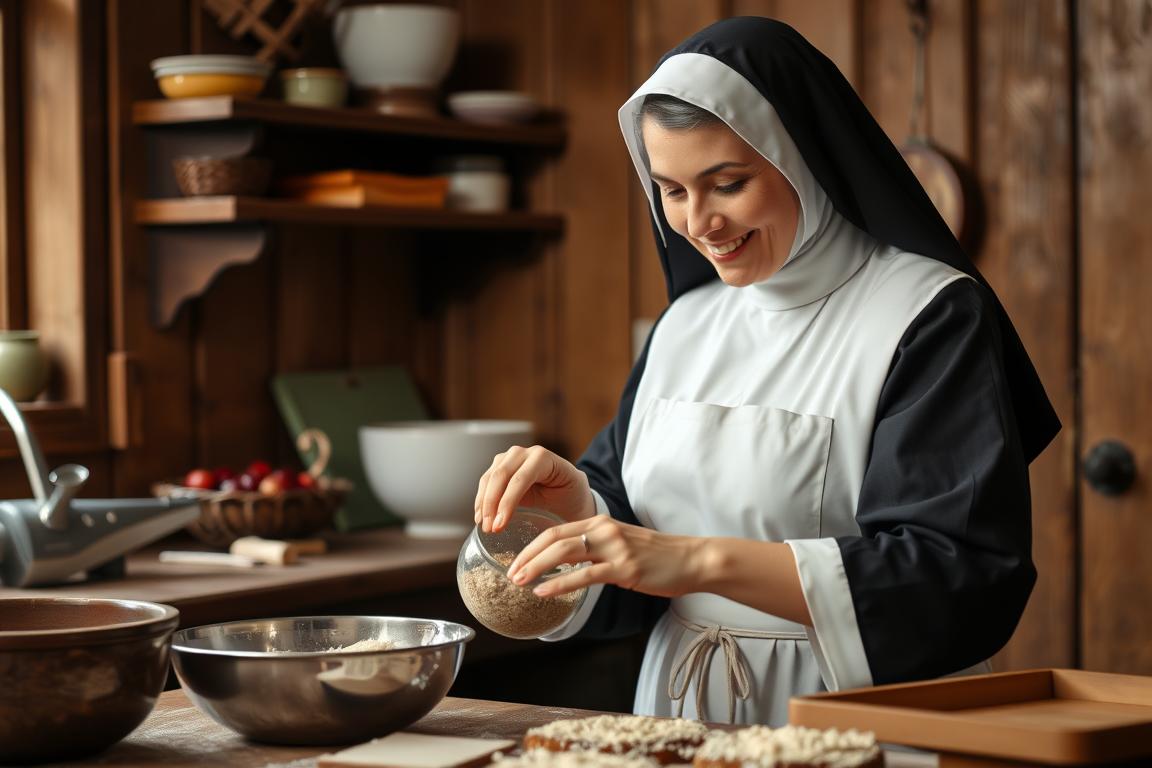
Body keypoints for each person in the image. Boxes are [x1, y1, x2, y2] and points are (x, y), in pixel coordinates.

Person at [473, 16, 1060, 727]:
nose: (699, 223)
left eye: (727, 183)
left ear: (802, 155)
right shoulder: (687, 324)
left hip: (854, 719)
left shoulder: (924, 314)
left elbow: (956, 576)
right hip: (680, 718)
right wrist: (579, 514)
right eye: (672, 190)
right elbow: (635, 542)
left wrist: (695, 563)